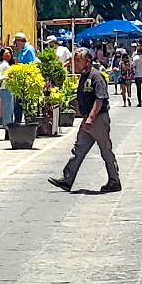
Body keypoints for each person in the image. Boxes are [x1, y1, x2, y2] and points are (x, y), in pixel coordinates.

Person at [50, 47, 119, 194]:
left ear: (88, 61)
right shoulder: (83, 76)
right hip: (88, 119)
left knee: (105, 151)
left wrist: (91, 118)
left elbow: (100, 99)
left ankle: (114, 180)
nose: (75, 63)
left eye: (78, 60)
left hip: (98, 119)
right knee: (78, 150)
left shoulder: (96, 76)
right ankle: (67, 179)